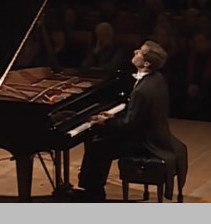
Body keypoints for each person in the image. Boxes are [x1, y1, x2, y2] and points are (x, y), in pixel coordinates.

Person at [75, 41, 186, 202]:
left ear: (146, 63)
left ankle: (92, 193)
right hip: (154, 134)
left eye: (140, 52)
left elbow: (130, 125)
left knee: (97, 145)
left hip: (144, 142)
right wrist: (113, 117)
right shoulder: (157, 78)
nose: (135, 52)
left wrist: (105, 123)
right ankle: (90, 189)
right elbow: (138, 115)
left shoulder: (142, 90)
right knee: (99, 140)